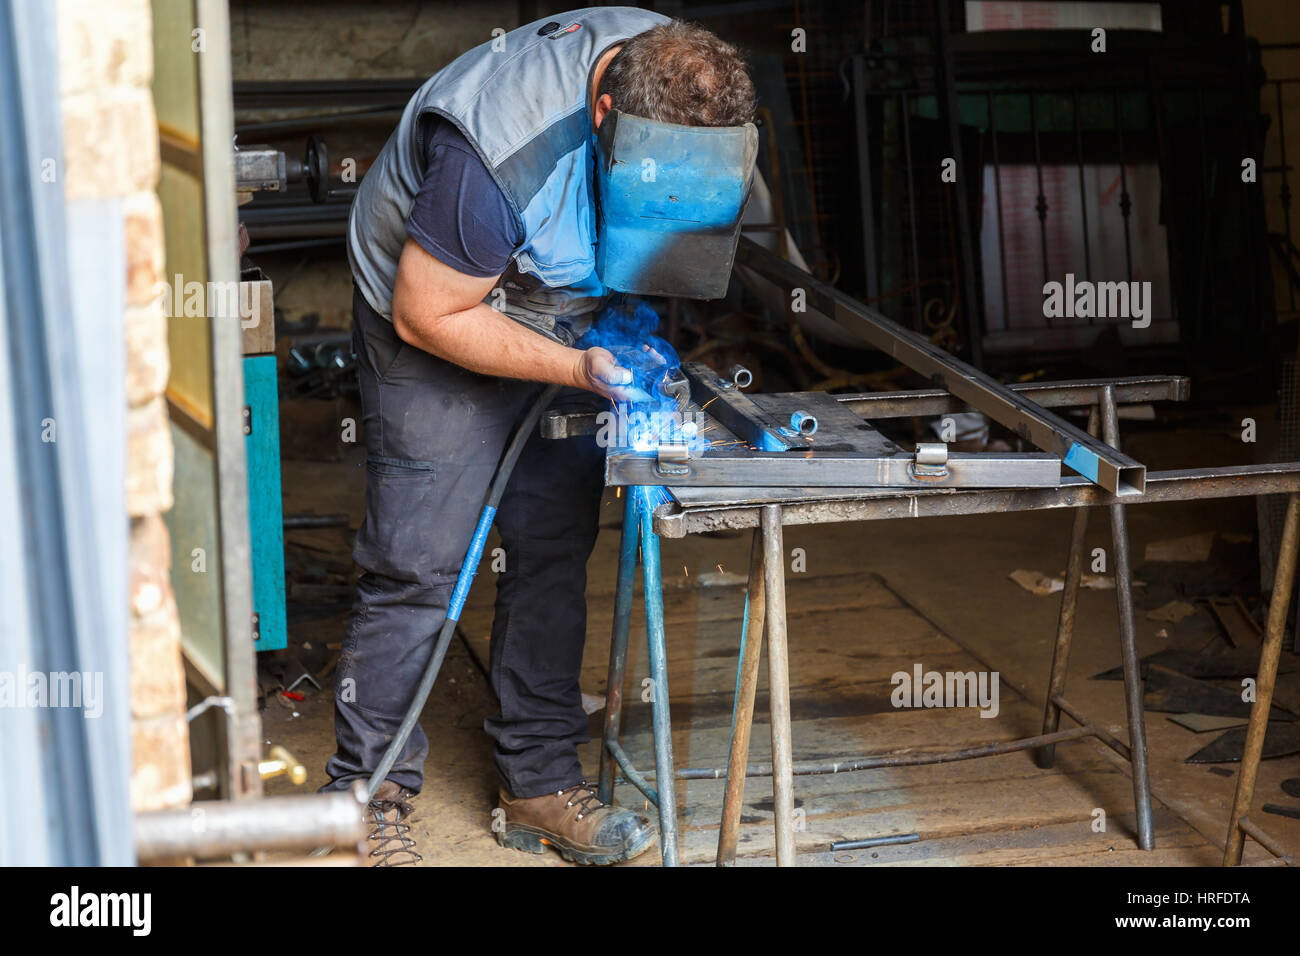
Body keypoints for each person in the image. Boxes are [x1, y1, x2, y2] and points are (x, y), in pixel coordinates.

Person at [326, 6, 757, 866]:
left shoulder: (693, 93)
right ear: (607, 117)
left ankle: (537, 784)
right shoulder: (498, 150)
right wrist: (574, 368)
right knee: (422, 560)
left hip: (562, 302)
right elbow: (427, 311)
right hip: (437, 307)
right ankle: (364, 798)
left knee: (552, 544)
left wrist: (622, 316)